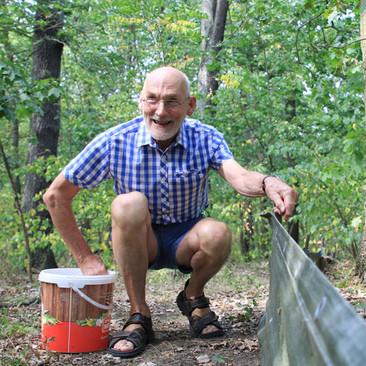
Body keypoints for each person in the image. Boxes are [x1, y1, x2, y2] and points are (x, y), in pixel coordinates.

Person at [43, 66, 299, 358]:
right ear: (140, 101)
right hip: (140, 238)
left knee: (218, 232)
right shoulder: (114, 141)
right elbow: (55, 196)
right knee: (128, 203)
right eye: (152, 99)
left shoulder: (206, 137)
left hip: (186, 238)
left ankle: (192, 297)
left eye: (172, 101)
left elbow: (239, 178)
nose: (160, 111)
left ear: (190, 105)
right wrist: (85, 258)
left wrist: (269, 183)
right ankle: (139, 315)